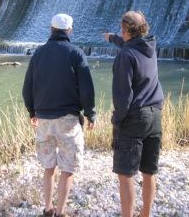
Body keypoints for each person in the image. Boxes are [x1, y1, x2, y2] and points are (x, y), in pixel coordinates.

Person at [23, 13, 96, 217]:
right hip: (68, 120)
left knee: (48, 167)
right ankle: (62, 212)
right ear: (69, 31)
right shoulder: (76, 53)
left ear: (51, 29)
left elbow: (27, 87)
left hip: (43, 119)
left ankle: (47, 208)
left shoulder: (38, 54)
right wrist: (91, 113)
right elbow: (86, 89)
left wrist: (32, 111)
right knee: (67, 168)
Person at [103, 11, 164, 217]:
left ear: (126, 30)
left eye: (121, 30)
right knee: (148, 171)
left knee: (126, 174)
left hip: (135, 118)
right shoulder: (150, 47)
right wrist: (112, 38)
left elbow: (123, 96)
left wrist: (117, 120)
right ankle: (145, 214)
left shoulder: (125, 56)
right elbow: (129, 44)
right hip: (155, 115)